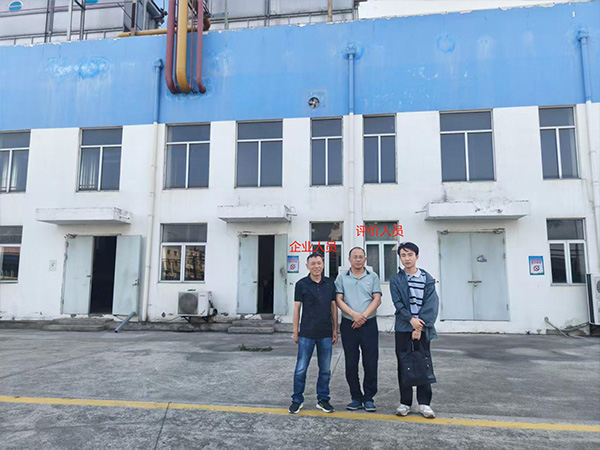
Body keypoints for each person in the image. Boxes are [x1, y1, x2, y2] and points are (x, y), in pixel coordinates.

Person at [389, 242, 439, 419]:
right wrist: (411, 320)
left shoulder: (427, 279)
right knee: (404, 363)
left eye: (410, 254)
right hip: (404, 328)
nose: (407, 258)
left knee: (423, 362)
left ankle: (424, 404)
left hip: (423, 328)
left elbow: (431, 305)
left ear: (416, 256)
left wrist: (419, 326)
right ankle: (405, 403)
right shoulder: (396, 280)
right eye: (403, 255)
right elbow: (398, 304)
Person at [289, 252, 338, 414]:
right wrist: (295, 331)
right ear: (307, 266)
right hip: (306, 333)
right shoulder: (301, 284)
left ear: (323, 264)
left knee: (325, 370)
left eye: (319, 263)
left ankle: (323, 400)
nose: (316, 266)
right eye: (313, 263)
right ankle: (297, 400)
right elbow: (297, 308)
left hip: (325, 333)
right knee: (301, 369)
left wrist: (335, 329)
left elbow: (333, 307)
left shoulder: (330, 283)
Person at [334, 247, 382, 412]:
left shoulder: (373, 276)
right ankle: (356, 397)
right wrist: (354, 315)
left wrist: (363, 317)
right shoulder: (342, 278)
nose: (358, 259)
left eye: (361, 257)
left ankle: (369, 398)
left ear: (365, 259)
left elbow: (377, 299)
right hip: (349, 324)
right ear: (349, 259)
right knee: (351, 362)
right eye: (355, 257)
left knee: (370, 362)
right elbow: (338, 300)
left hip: (369, 324)